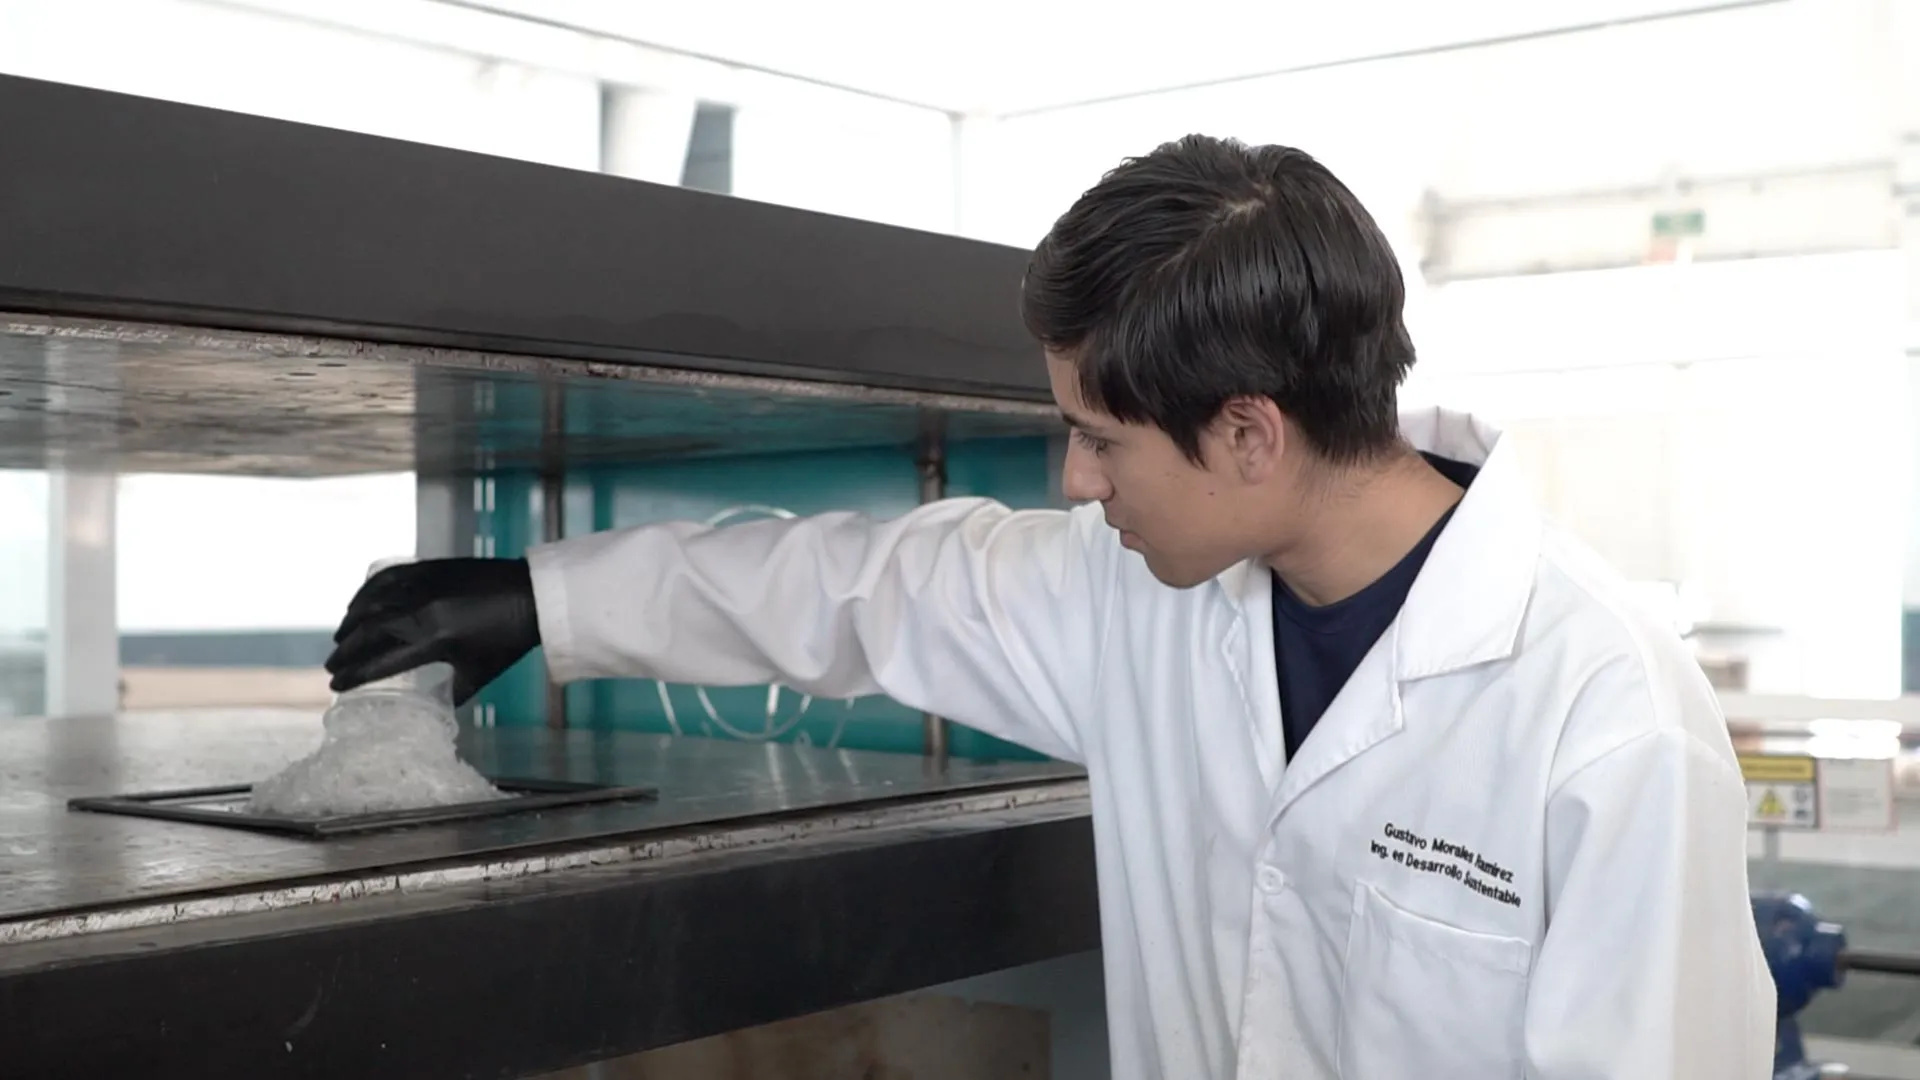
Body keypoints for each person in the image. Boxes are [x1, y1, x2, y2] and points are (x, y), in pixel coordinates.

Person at [326, 135, 1775, 1079]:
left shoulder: (1602, 718)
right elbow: (861, 587)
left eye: (1101, 437)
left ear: (1250, 435)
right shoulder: (1148, 598)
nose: (1076, 485)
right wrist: (531, 596)